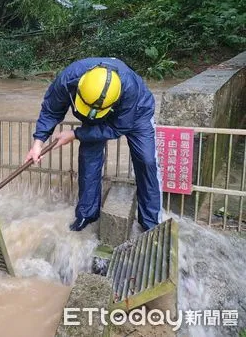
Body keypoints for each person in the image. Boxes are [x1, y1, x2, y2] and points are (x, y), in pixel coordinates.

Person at [25, 57, 162, 232]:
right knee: (89, 159)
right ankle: (87, 214)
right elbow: (51, 110)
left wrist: (75, 134)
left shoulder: (130, 88)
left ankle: (151, 222)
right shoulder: (68, 79)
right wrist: (38, 143)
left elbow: (117, 128)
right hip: (94, 108)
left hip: (137, 113)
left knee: (146, 160)